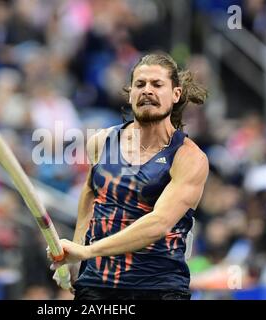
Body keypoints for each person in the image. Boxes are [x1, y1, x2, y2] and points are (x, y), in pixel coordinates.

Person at [49, 52, 209, 300]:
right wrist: (74, 255)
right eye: (140, 84)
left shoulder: (189, 158)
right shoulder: (101, 142)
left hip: (158, 288)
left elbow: (159, 223)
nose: (147, 90)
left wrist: (86, 251)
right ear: (130, 93)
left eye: (157, 85)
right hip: (96, 285)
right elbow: (91, 194)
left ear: (176, 94)